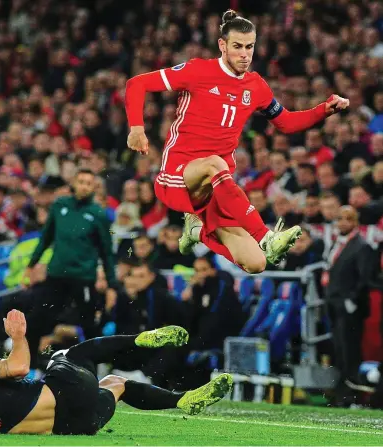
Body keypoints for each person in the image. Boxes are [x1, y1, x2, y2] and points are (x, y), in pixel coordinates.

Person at [125, 10, 350, 273]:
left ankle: (196, 231)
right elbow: (136, 84)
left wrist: (324, 109)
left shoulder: (256, 86)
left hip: (215, 190)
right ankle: (267, 237)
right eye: (237, 47)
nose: (244, 54)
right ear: (222, 45)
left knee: (256, 264)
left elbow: (287, 123)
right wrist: (137, 129)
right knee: (214, 164)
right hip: (178, 177)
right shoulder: (197, 70)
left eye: (250, 47)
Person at [0, 310, 233, 435]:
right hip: (64, 395)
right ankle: (142, 339)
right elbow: (18, 367)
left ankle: (184, 399)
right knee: (70, 352)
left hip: (75, 427)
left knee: (114, 384)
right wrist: (18, 337)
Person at [24, 169, 116, 368]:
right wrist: (31, 266)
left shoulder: (98, 214)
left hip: (83, 278)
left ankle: (93, 373)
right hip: (56, 275)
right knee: (36, 320)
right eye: (81, 181)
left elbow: (106, 252)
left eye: (88, 183)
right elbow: (45, 238)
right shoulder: (59, 206)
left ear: (93, 187)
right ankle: (29, 368)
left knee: (90, 327)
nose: (84, 186)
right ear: (74, 183)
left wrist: (112, 285)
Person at [323, 206, 376, 407]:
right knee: (338, 350)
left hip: (349, 308)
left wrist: (351, 301)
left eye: (348, 219)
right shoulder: (338, 243)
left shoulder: (362, 246)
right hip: (334, 305)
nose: (343, 223)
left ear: (356, 222)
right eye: (340, 219)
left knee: (349, 351)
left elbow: (365, 278)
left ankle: (350, 397)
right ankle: (341, 395)